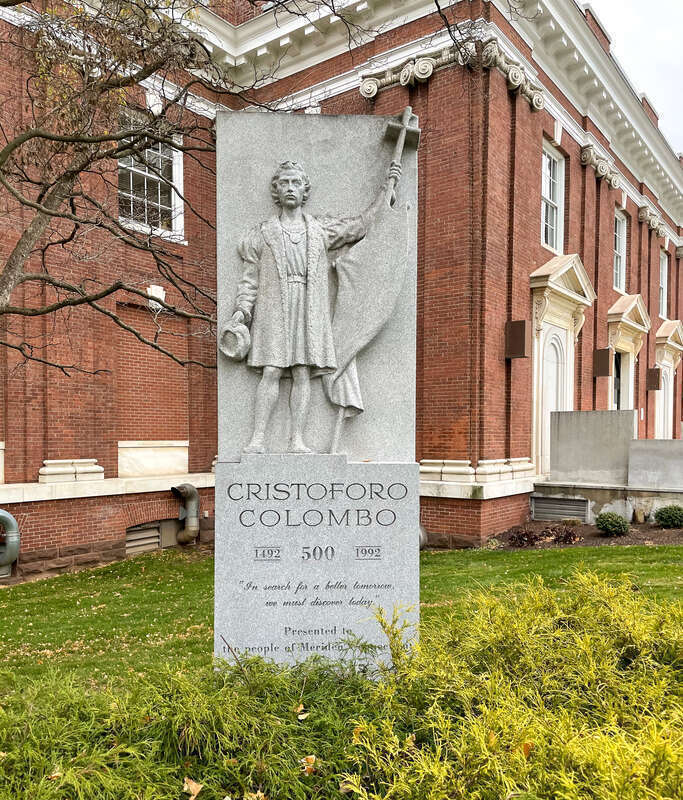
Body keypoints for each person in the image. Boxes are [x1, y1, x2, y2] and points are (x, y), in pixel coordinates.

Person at [230, 159, 401, 453]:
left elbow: (359, 226)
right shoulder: (261, 233)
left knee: (301, 372)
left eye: (296, 182)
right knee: (271, 371)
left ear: (304, 190)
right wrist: (242, 311)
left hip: (308, 310)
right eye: (284, 183)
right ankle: (257, 439)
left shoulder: (320, 230)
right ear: (277, 191)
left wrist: (387, 191)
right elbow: (249, 281)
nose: (290, 188)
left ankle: (297, 439)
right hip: (274, 311)